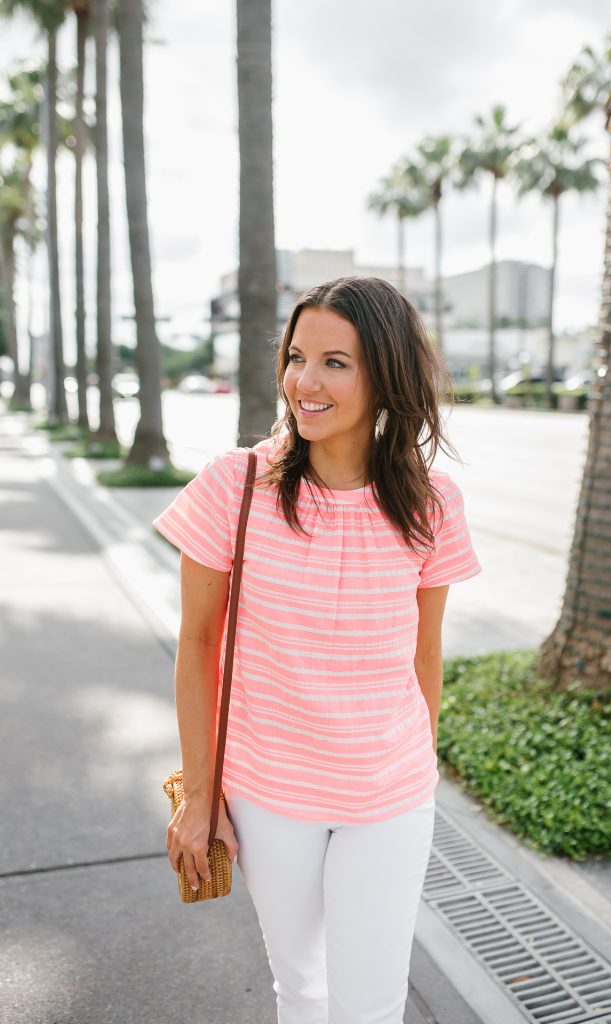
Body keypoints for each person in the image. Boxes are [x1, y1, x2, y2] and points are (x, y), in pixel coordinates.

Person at [155, 275, 482, 1024]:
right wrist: (201, 799)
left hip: (389, 796)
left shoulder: (434, 503)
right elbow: (199, 642)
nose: (305, 380)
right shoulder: (233, 486)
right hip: (270, 791)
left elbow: (423, 651)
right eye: (297, 356)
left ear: (388, 376)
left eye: (336, 362)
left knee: (369, 1001)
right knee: (301, 989)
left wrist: (415, 763)